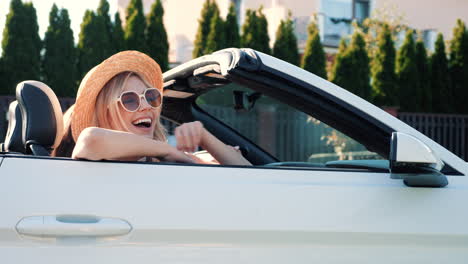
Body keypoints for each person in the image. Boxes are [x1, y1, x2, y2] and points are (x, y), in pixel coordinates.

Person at [54, 50, 250, 166]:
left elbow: (249, 174)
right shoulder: (92, 156)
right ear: (105, 113)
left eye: (151, 97)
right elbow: (90, 140)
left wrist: (203, 137)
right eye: (130, 100)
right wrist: (170, 151)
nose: (146, 106)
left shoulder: (157, 160)